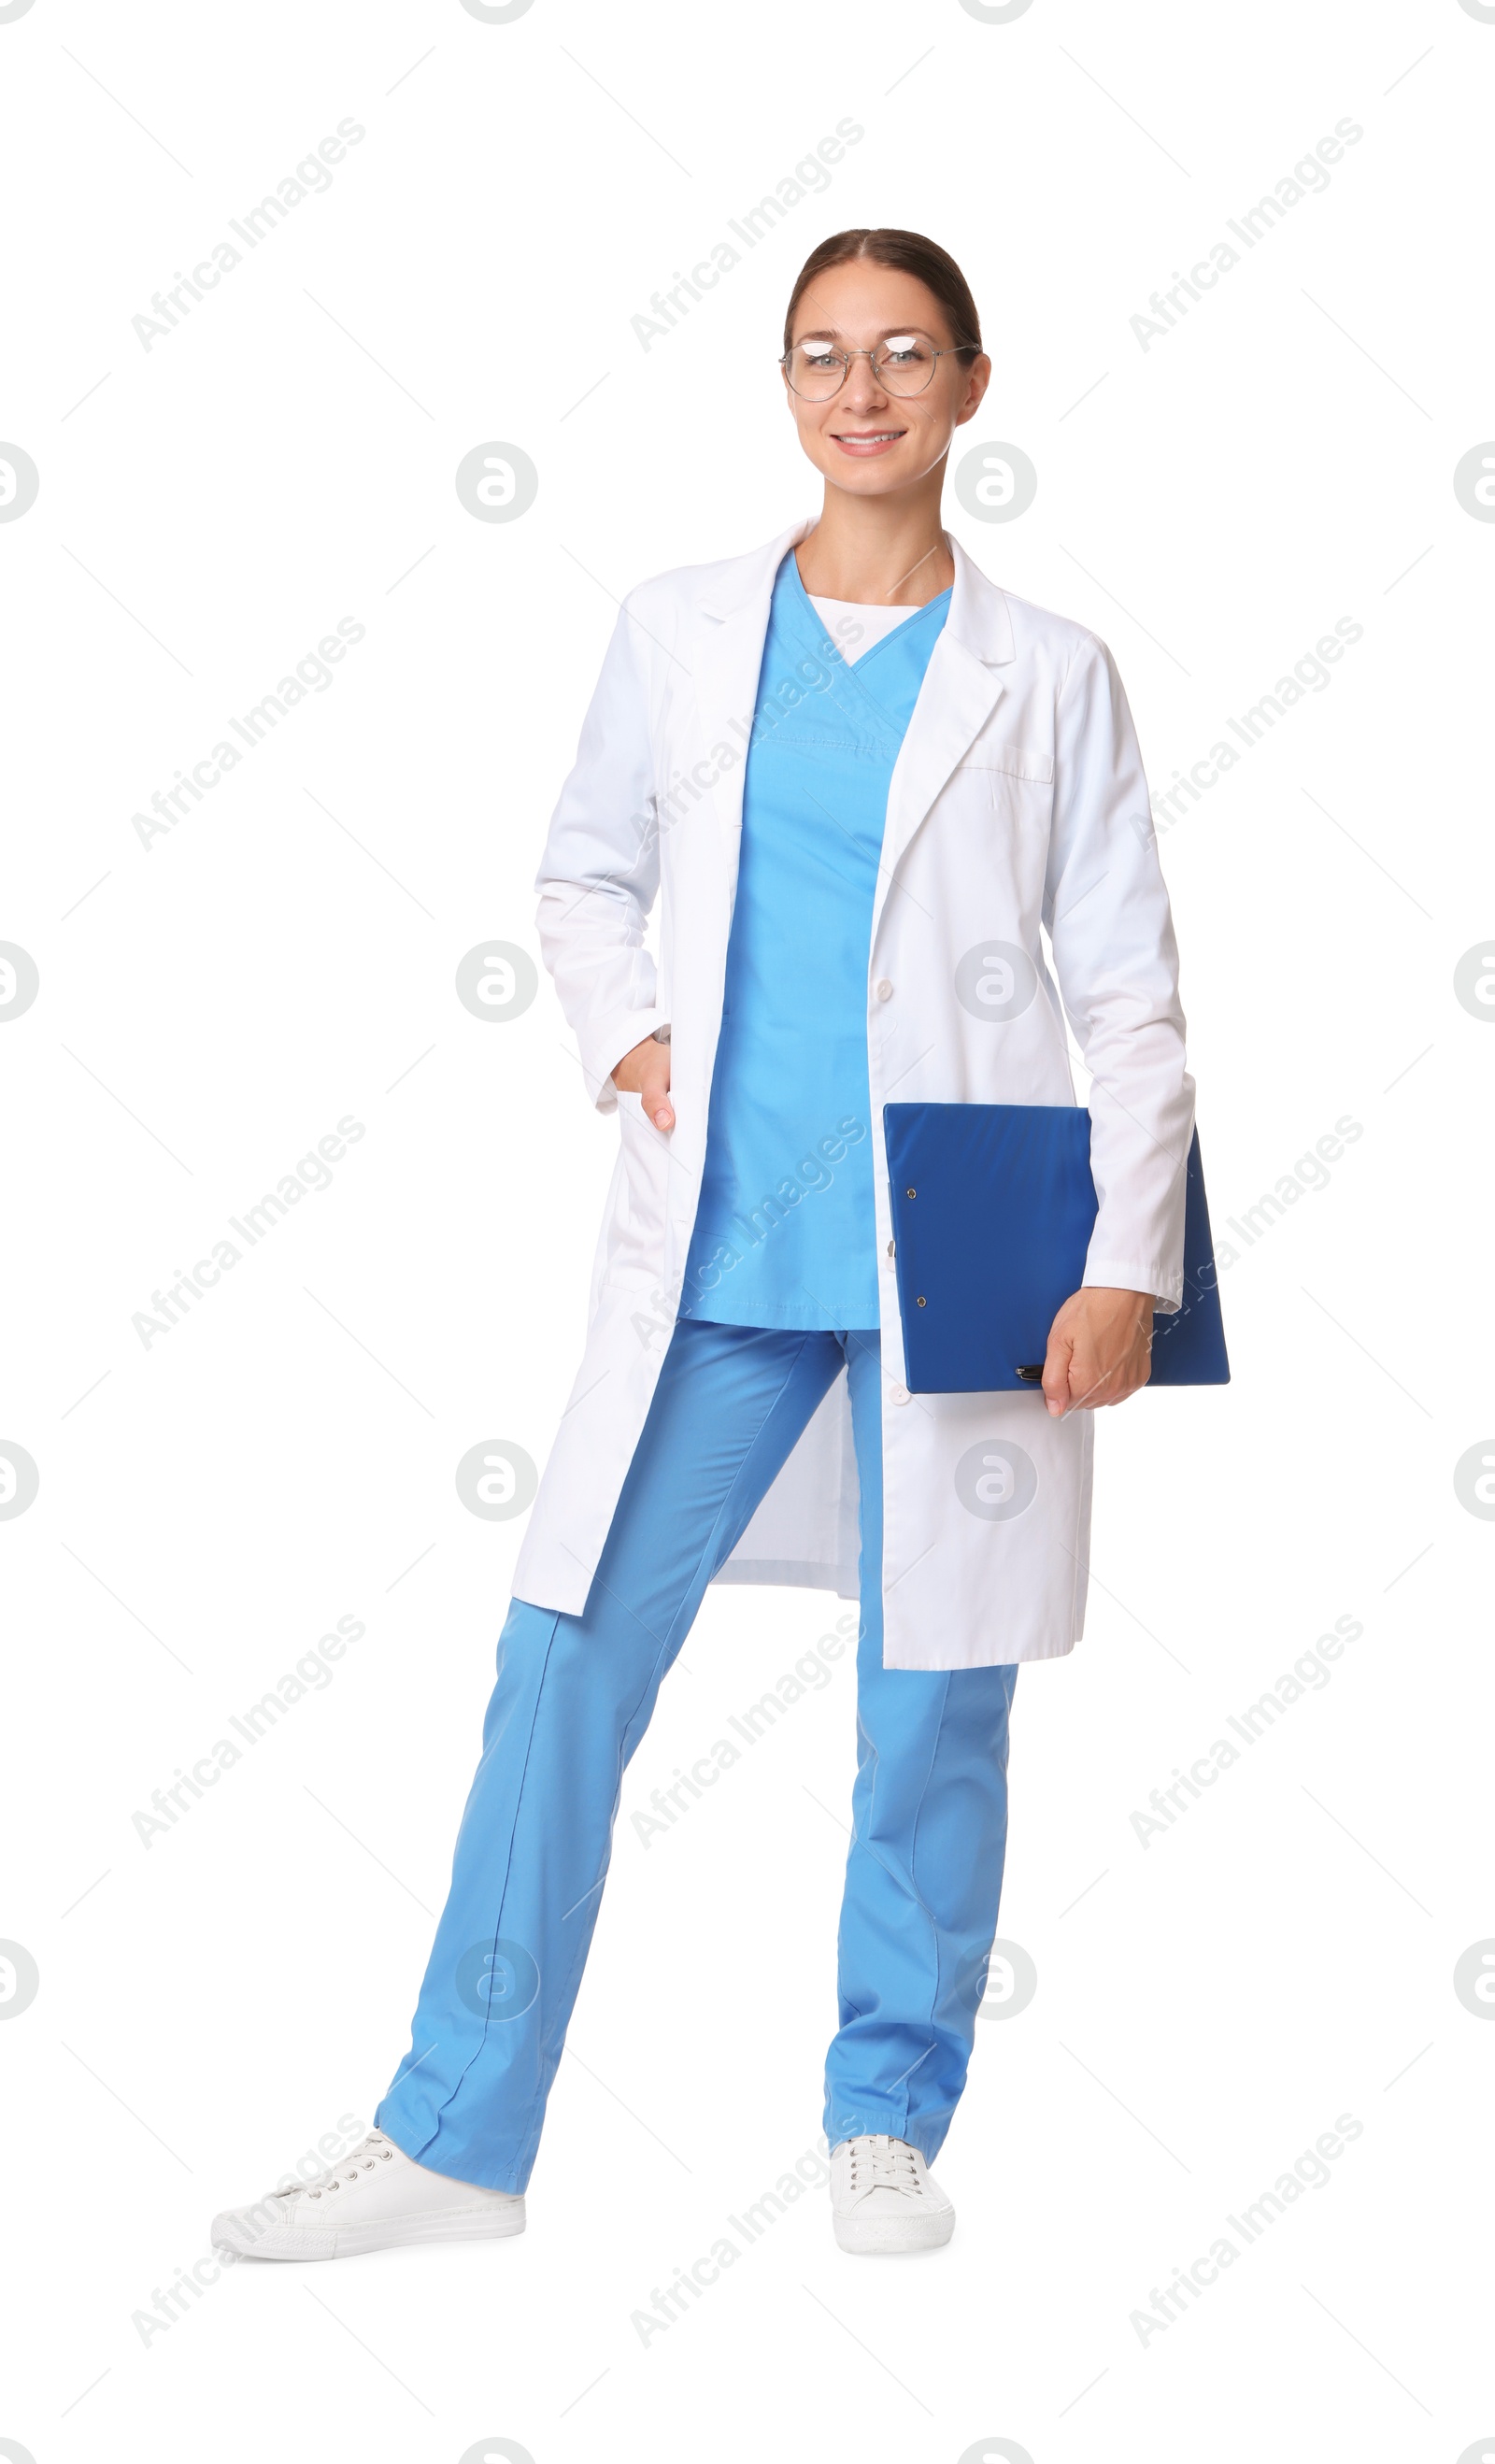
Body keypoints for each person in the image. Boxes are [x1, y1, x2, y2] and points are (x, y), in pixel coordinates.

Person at [212, 227, 1193, 2264]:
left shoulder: (1049, 673)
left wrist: (1126, 1258)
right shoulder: (674, 629)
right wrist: (629, 1031)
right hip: (723, 1252)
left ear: (969, 386)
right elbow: (581, 870)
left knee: (935, 1694)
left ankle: (881, 2115)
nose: (861, 390)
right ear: (783, 386)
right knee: (559, 1655)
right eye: (822, 355)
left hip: (969, 1267)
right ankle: (452, 2133)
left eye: (902, 354)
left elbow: (1126, 995)